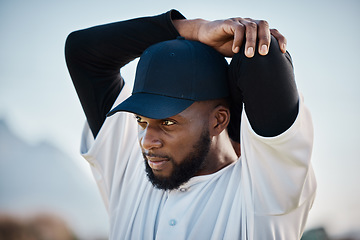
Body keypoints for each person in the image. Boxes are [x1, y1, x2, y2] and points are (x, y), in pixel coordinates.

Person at [65, 9, 316, 239]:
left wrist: (244, 42)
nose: (146, 140)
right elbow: (82, 52)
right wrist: (194, 30)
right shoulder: (130, 172)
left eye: (167, 122)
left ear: (218, 121)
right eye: (141, 121)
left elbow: (263, 57)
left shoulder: (265, 192)